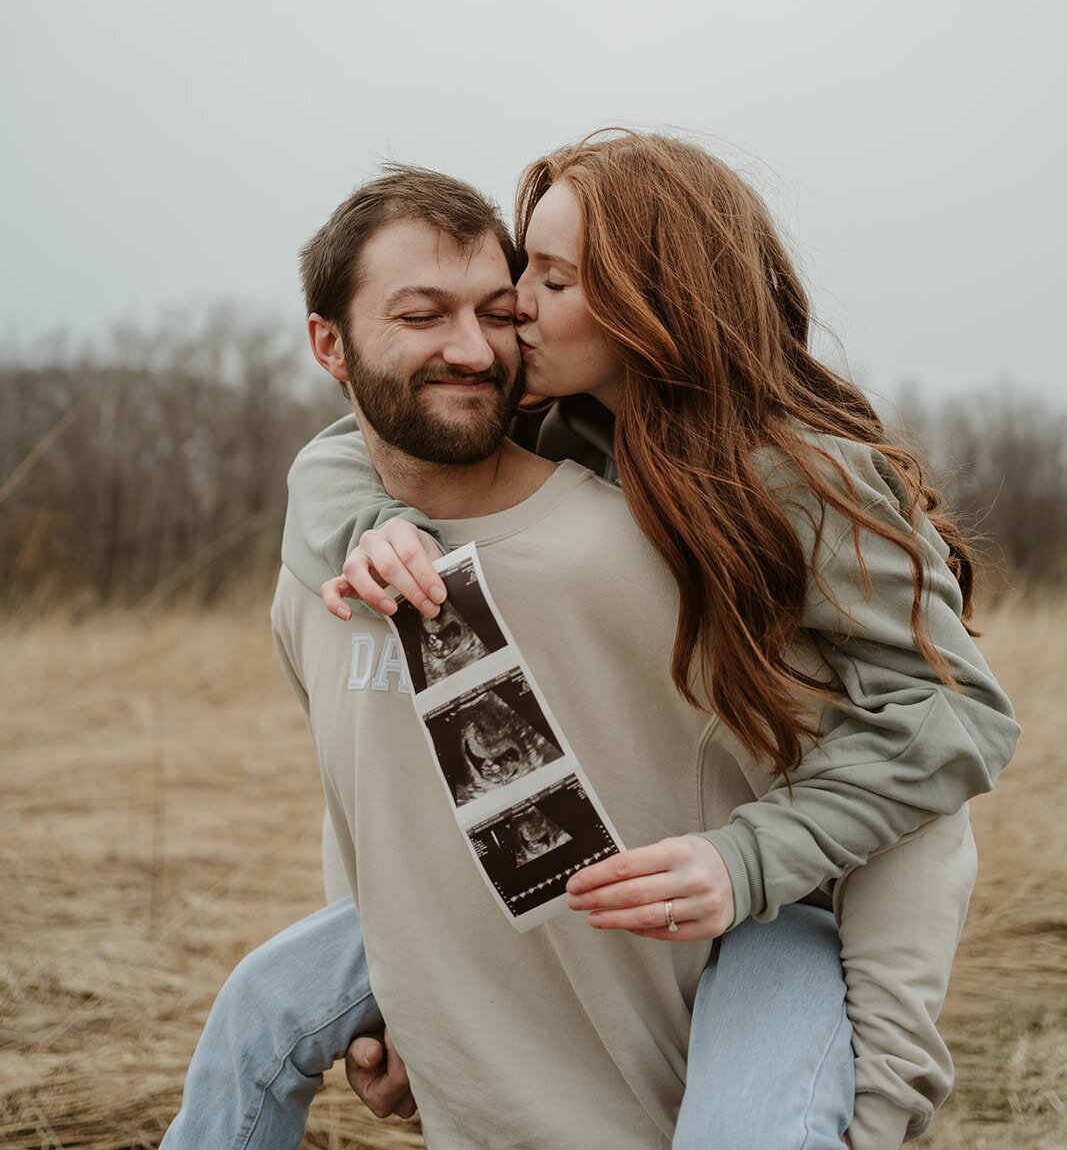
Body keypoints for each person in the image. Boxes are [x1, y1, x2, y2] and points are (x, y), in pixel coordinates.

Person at [163, 145, 1017, 1150]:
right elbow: (342, 446)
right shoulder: (557, 422)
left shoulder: (793, 480)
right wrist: (365, 529)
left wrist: (750, 868)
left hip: (762, 894)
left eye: (549, 280)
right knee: (260, 1005)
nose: (513, 307)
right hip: (522, 896)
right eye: (525, 267)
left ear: (651, 305)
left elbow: (953, 719)